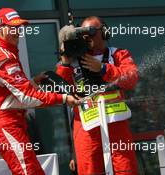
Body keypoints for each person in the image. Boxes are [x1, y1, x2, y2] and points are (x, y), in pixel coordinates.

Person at [0, 8, 79, 175]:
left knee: (32, 171)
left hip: (11, 122)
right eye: (12, 27)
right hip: (5, 124)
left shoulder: (7, 53)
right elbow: (27, 97)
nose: (16, 32)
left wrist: (33, 82)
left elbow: (13, 93)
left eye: (18, 27)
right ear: (0, 28)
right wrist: (64, 98)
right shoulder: (3, 57)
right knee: (28, 171)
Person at [56, 16, 139, 175]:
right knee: (89, 170)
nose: (87, 38)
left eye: (91, 34)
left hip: (116, 122)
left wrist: (103, 69)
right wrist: (65, 61)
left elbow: (131, 79)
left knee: (126, 168)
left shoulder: (117, 54)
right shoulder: (72, 60)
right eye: (84, 35)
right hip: (86, 126)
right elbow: (59, 91)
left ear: (104, 33)